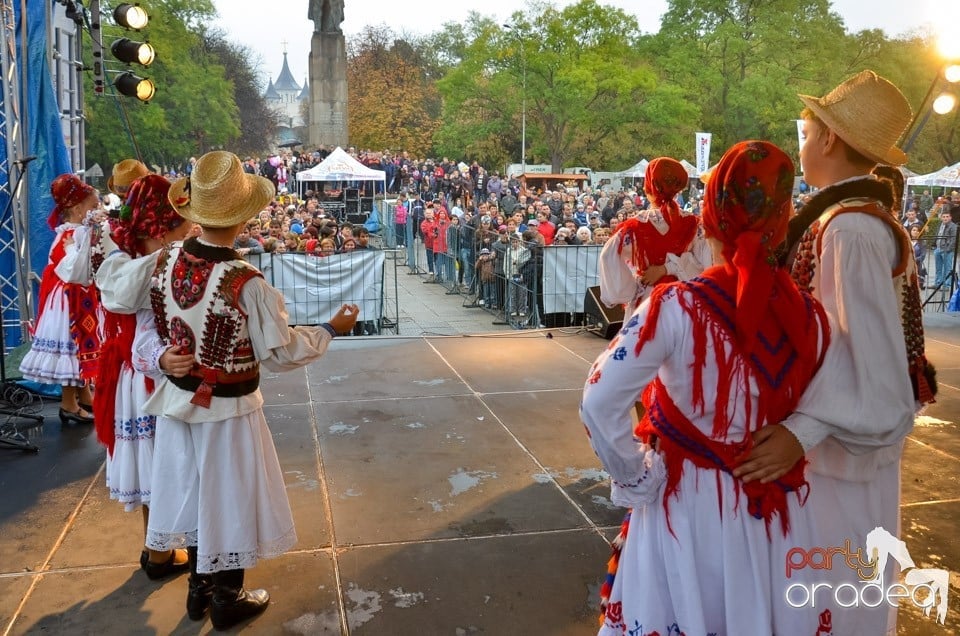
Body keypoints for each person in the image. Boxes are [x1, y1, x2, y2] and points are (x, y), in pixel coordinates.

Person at [95, 151, 359, 629]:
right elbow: (281, 353)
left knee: (195, 493)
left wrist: (160, 357)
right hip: (229, 410)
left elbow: (141, 324)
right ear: (244, 215)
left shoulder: (165, 260)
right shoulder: (247, 282)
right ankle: (227, 597)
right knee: (230, 495)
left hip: (178, 404)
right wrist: (330, 329)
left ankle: (199, 588)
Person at [581, 141, 830, 635]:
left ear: (713, 213)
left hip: (689, 508)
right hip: (776, 512)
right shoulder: (811, 315)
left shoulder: (674, 308)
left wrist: (636, 476)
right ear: (782, 219)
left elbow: (598, 400)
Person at [760, 70, 934, 635]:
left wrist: (799, 433)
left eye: (807, 134)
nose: (803, 145)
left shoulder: (849, 231)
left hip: (839, 460)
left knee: (832, 605)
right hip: (836, 458)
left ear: (830, 140)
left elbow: (873, 373)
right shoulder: (850, 222)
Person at [94, 174, 196, 580]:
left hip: (161, 370)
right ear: (163, 222)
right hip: (146, 374)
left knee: (175, 462)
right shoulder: (121, 262)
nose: (190, 225)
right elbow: (131, 308)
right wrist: (164, 257)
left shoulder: (150, 253)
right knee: (165, 462)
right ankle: (161, 551)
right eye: (182, 218)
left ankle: (164, 551)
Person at [19, 174, 101, 424]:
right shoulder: (71, 235)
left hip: (78, 296)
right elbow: (73, 269)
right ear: (77, 209)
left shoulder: (78, 232)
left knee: (80, 348)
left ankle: (84, 395)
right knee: (74, 348)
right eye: (93, 206)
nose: (97, 210)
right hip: (69, 301)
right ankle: (68, 403)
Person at [598, 157, 711, 318]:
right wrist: (673, 266)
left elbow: (608, 256)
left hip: (647, 302)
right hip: (684, 303)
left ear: (648, 187)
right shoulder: (695, 225)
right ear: (680, 188)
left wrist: (629, 289)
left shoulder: (634, 227)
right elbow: (707, 267)